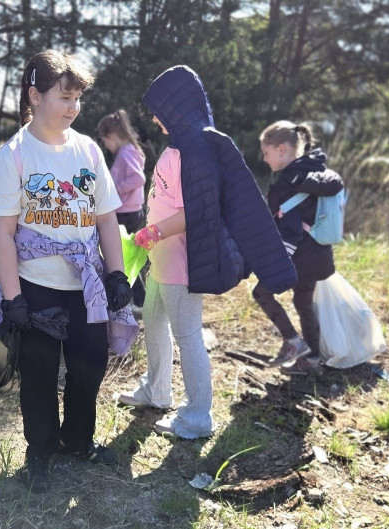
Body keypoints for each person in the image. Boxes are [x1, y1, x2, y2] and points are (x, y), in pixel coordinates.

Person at [0, 50, 137, 493]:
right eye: (64, 98)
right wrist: (14, 300)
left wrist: (117, 274)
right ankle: (41, 451)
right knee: (40, 373)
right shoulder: (11, 157)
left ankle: (78, 441)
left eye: (77, 100)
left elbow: (107, 218)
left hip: (85, 287)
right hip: (35, 288)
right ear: (34, 95)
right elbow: (1, 235)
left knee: (89, 368)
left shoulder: (87, 150)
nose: (73, 108)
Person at [114, 65, 297, 439]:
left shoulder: (196, 148)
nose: (153, 118)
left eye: (159, 110)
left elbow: (198, 210)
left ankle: (198, 416)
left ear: (176, 107)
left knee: (188, 336)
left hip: (182, 262)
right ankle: (156, 390)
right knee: (153, 321)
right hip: (160, 259)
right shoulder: (178, 144)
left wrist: (155, 230)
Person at [254, 121, 345, 375]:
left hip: (296, 256)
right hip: (318, 255)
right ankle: (313, 360)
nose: (265, 159)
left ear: (281, 149)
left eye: (266, 152)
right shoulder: (314, 170)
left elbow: (291, 229)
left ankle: (293, 342)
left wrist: (277, 262)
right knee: (303, 303)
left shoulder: (288, 182)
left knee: (261, 293)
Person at [97, 109, 147, 306]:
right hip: (130, 211)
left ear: (111, 136)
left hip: (125, 213)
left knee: (120, 257)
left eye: (105, 141)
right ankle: (137, 301)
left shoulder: (126, 153)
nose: (106, 146)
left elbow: (138, 178)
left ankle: (138, 301)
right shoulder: (131, 151)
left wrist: (114, 190)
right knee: (123, 257)